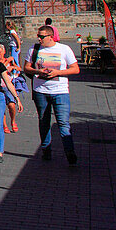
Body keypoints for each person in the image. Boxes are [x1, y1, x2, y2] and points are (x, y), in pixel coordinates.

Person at [22, 23, 80, 164]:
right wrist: (38, 71)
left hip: (60, 91)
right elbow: (26, 68)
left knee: (63, 123)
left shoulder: (64, 49)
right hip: (40, 91)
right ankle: (46, 150)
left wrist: (58, 72)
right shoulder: (34, 49)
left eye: (42, 37)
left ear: (51, 37)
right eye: (38, 36)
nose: (39, 39)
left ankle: (69, 152)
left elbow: (75, 69)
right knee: (44, 121)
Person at [2, 22, 27, 132]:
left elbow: (17, 39)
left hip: (9, 84)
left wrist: (18, 47)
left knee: (11, 105)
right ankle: (4, 125)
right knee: (1, 107)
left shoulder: (12, 32)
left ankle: (12, 120)